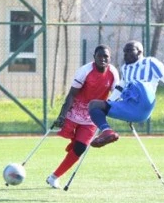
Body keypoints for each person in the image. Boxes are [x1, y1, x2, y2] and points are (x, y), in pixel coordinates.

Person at [46, 45, 119, 189]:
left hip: (92, 115)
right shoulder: (85, 71)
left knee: (80, 148)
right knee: (73, 144)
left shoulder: (113, 73)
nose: (103, 59)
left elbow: (116, 96)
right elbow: (72, 94)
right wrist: (62, 115)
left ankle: (54, 177)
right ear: (94, 57)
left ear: (110, 58)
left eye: (106, 57)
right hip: (75, 112)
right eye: (100, 56)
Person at [88, 40, 164, 148]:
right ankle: (107, 131)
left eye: (129, 51)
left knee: (136, 83)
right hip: (130, 106)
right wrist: (109, 103)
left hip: (145, 101)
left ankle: (131, 94)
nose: (125, 54)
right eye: (124, 52)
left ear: (140, 52)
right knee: (94, 105)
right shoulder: (125, 68)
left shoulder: (150, 62)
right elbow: (119, 88)